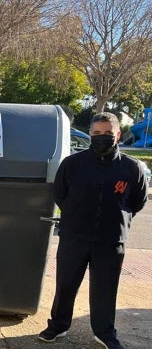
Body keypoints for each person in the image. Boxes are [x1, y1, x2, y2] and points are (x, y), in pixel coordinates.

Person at [38, 112, 148, 349]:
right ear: (89, 134)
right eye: (97, 133)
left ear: (118, 135)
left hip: (111, 241)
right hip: (74, 238)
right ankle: (58, 325)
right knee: (65, 284)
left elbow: (137, 202)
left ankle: (105, 332)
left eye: (108, 133)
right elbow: (60, 195)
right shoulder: (72, 164)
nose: (102, 138)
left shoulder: (132, 168)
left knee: (105, 288)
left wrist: (117, 217)